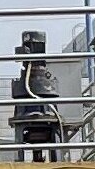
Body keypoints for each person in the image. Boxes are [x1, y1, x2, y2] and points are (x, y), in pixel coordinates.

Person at [9, 28, 64, 158]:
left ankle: (21, 160)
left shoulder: (26, 82)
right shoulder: (26, 83)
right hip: (39, 107)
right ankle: (56, 159)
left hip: (36, 107)